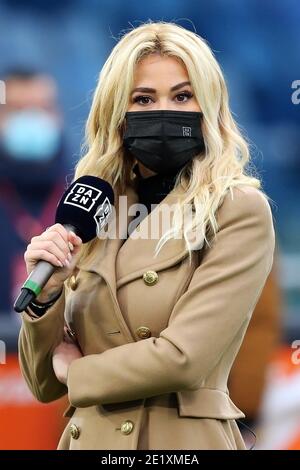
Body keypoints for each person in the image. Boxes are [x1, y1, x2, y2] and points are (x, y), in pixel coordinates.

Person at [18, 21, 275, 450]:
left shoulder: (238, 210)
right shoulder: (96, 206)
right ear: (117, 114)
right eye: (143, 98)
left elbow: (184, 360)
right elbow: (43, 384)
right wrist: (48, 297)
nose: (165, 112)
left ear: (207, 105)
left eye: (182, 95)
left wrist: (75, 372)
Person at [0, 68, 67, 314]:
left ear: (58, 115)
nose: (32, 120)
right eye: (18, 110)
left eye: (43, 108)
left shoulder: (83, 195)